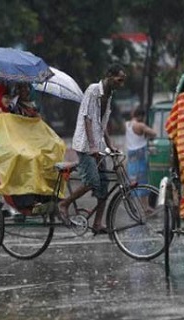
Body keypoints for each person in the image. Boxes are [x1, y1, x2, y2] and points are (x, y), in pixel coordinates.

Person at [58, 63, 127, 234]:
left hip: (98, 145)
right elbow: (88, 119)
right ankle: (64, 204)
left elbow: (102, 125)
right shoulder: (93, 90)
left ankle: (97, 224)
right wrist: (93, 146)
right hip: (85, 145)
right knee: (92, 182)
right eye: (119, 80)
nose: (121, 84)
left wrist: (110, 146)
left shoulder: (109, 96)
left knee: (103, 185)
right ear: (109, 76)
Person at [125, 106, 157, 211]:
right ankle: (145, 206)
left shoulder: (127, 124)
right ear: (142, 116)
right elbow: (154, 133)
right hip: (140, 155)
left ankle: (134, 207)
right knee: (143, 181)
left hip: (131, 156)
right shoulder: (140, 125)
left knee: (133, 181)